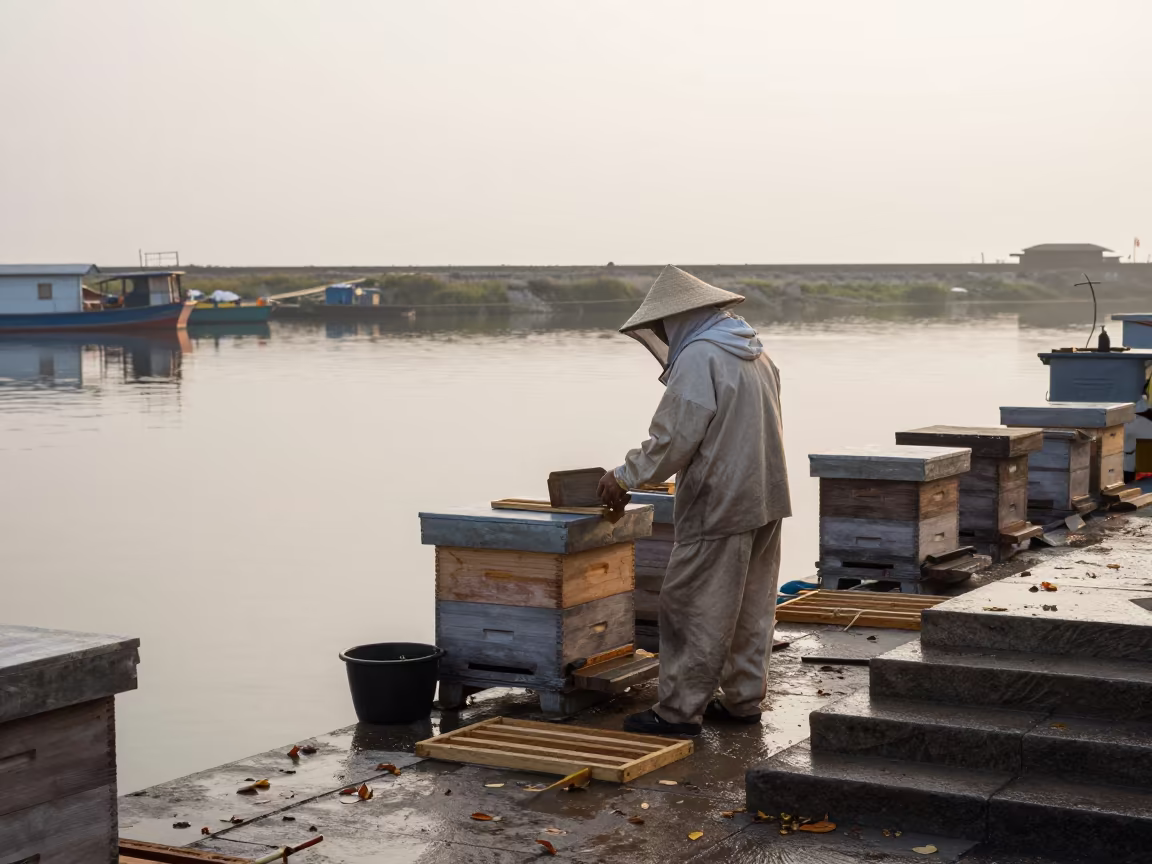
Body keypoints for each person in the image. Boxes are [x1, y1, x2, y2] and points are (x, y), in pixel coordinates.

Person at [597, 265, 790, 736]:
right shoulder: (755, 353)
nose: (662, 333)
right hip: (766, 494)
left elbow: (674, 437)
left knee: (691, 605)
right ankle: (744, 700)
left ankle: (678, 712)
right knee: (751, 605)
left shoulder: (701, 356)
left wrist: (624, 476)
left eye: (664, 325)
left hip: (719, 500)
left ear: (681, 318)